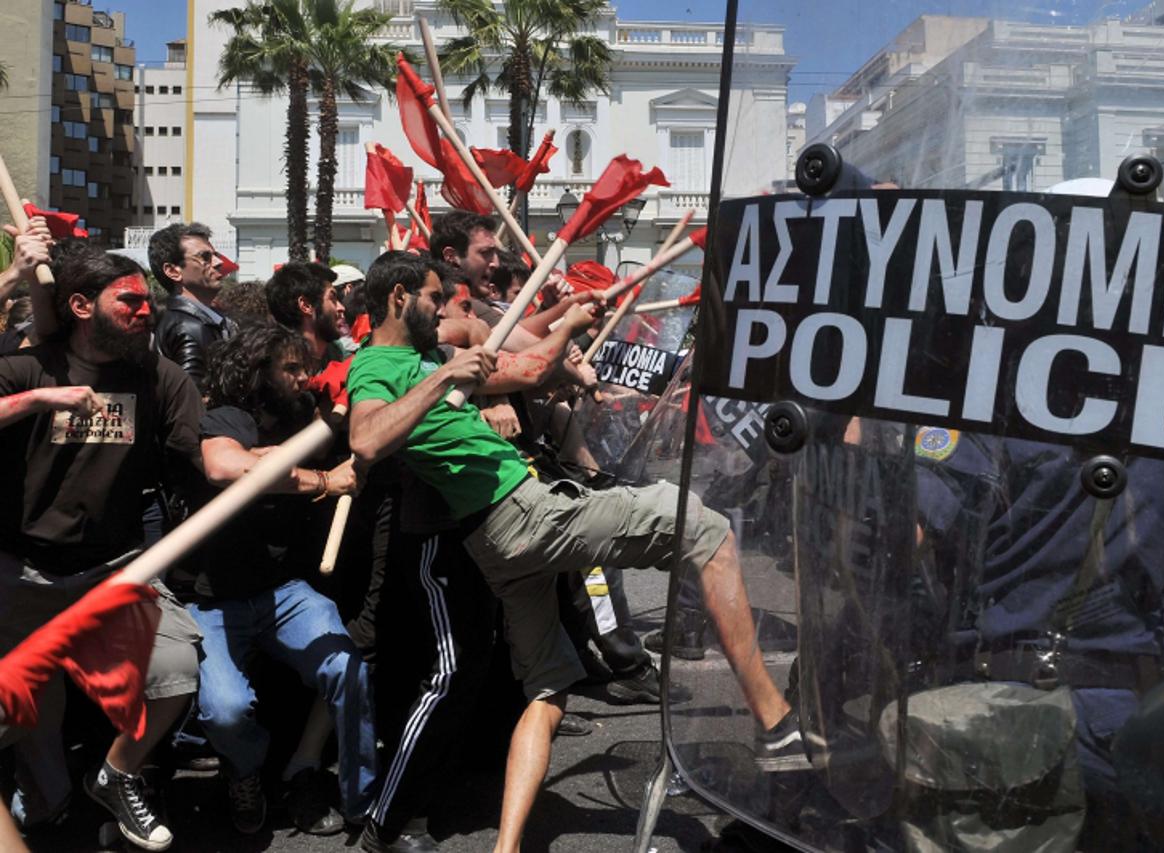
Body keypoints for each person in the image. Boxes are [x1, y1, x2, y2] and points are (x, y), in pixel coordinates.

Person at [348, 251, 802, 853]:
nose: (442, 307)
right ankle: (777, 727)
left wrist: (570, 324)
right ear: (399, 298)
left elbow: (533, 370)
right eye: (433, 297)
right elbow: (367, 437)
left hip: (502, 542)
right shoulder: (377, 365)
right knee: (706, 529)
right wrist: (444, 379)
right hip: (522, 517)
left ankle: (505, 849)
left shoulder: (430, 356)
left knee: (547, 688)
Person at [0, 244, 204, 852]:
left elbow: (201, 454)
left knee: (174, 673)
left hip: (111, 572)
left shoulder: (157, 375)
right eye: (131, 300)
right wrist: (41, 401)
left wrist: (287, 464)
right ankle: (46, 799)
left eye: (149, 299)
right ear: (82, 306)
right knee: (26, 712)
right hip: (23, 574)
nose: (147, 310)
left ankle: (115, 775)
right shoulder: (29, 366)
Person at [187, 323, 375, 834]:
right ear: (258, 372)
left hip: (284, 593)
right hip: (214, 602)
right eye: (290, 368)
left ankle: (362, 798)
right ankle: (247, 770)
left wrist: (346, 397)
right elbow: (225, 467)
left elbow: (338, 426)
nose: (303, 377)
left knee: (346, 668)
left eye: (305, 366)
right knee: (226, 712)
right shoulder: (228, 416)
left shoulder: (302, 417)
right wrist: (320, 480)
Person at [149, 222, 234, 384]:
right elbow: (194, 398)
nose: (218, 262)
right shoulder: (188, 326)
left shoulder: (196, 320)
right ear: (173, 271)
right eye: (205, 257)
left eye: (216, 255)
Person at [265, 261, 347, 370]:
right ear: (306, 305)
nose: (341, 308)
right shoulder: (273, 369)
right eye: (332, 298)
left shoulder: (339, 356)